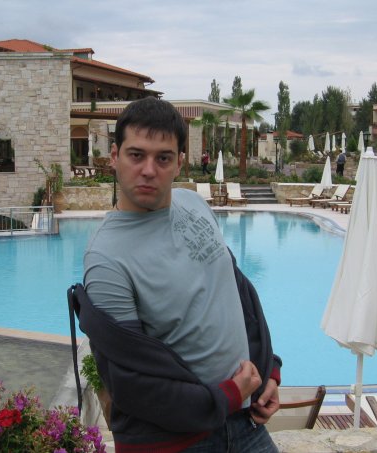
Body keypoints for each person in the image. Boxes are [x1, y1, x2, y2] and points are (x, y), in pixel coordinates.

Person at [76, 97, 281, 452]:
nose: (149, 170)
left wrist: (268, 371)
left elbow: (238, 295)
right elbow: (131, 382)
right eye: (136, 155)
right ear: (114, 157)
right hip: (174, 443)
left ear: (179, 163)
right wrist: (228, 395)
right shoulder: (106, 259)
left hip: (245, 423)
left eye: (163, 158)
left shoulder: (194, 204)